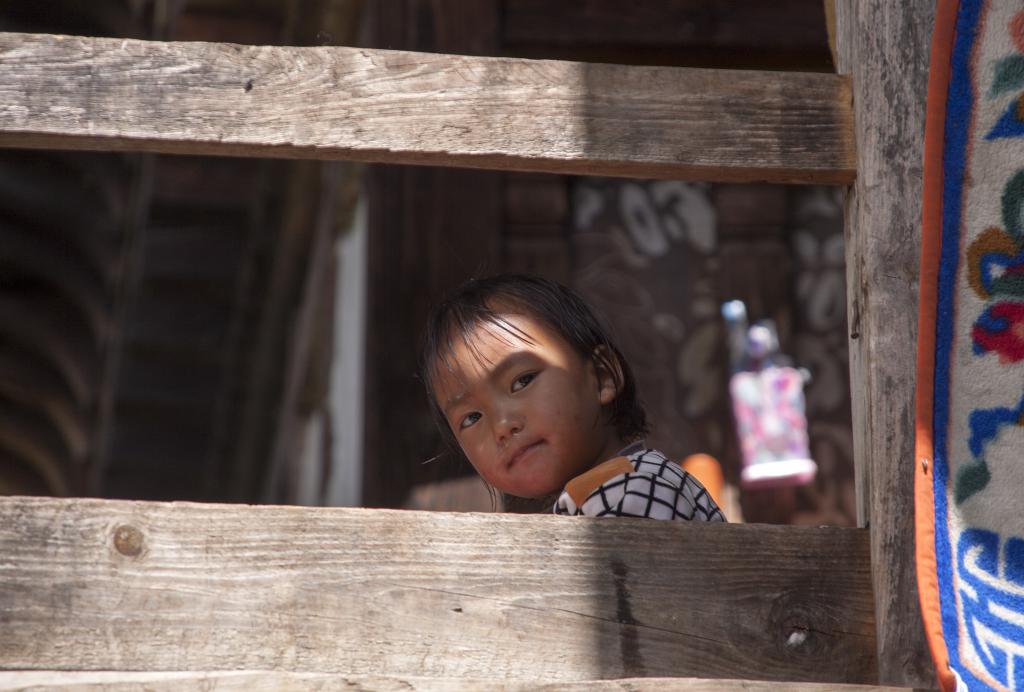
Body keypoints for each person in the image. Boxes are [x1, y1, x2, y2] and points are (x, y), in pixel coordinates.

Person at [418, 273, 725, 522]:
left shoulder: (632, 491)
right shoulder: (592, 502)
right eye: (471, 418)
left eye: (522, 381)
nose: (502, 425)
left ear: (602, 376)